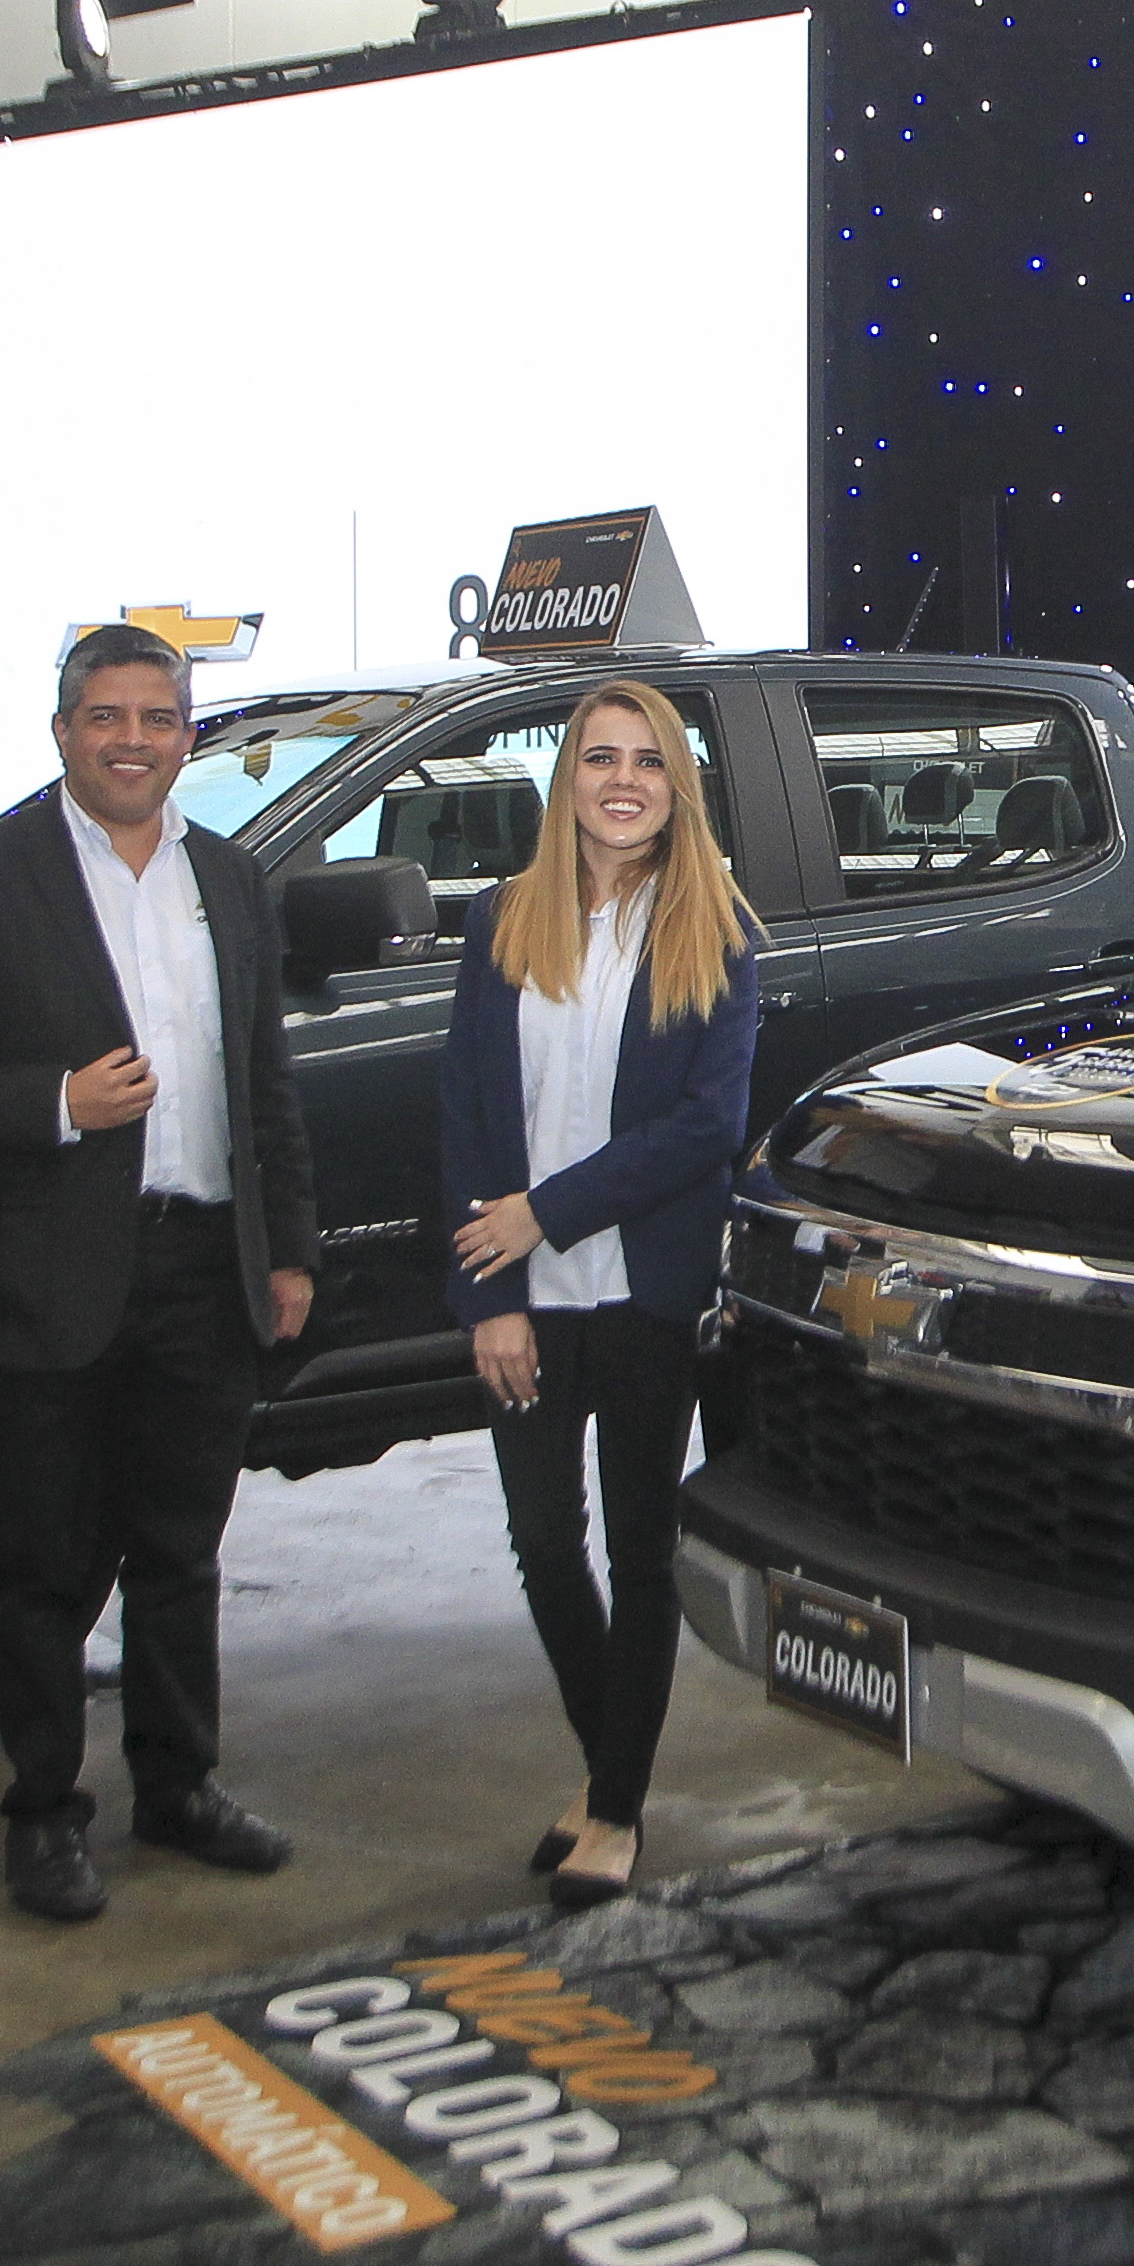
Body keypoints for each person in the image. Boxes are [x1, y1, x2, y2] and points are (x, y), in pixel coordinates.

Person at [0, 623, 319, 1922]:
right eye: (106, 717)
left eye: (156, 719)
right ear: (64, 731)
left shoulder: (227, 879)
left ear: (187, 735)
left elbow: (262, 1084)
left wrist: (285, 1247)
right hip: (47, 1273)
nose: (133, 740)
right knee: (43, 1564)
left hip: (200, 1266)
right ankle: (45, 1814)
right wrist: (54, 1100)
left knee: (180, 1552)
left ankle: (179, 1790)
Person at [437, 681, 761, 1909]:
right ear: (565, 780)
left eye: (648, 763)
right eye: (598, 759)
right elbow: (468, 1113)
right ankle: (608, 1765)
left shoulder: (716, 933)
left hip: (644, 1295)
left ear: (678, 790)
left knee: (640, 1551)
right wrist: (496, 1289)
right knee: (538, 1539)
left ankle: (615, 1808)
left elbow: (704, 1129)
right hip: (526, 1294)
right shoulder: (502, 921)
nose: (622, 782)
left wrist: (547, 1211)